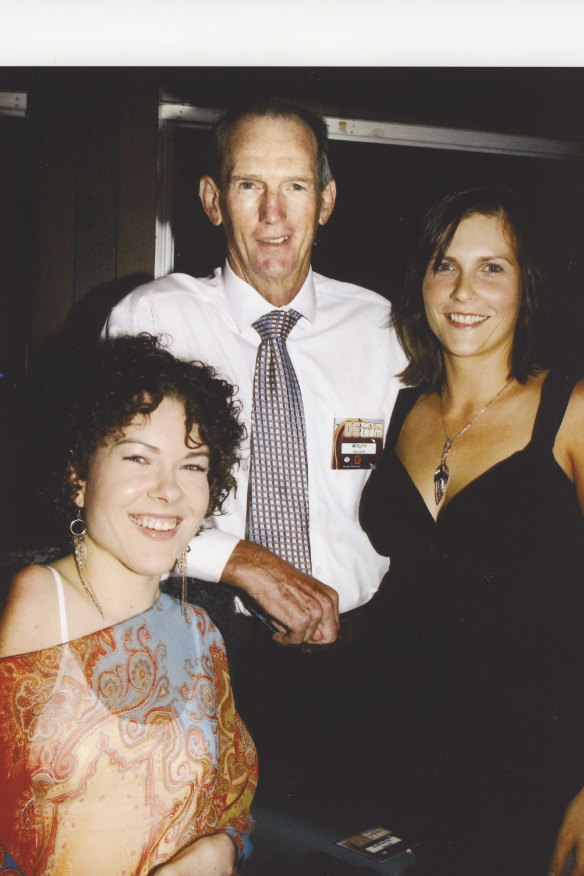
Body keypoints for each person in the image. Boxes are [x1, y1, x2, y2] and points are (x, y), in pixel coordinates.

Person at [104, 98, 404, 797]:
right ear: (213, 200)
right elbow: (109, 505)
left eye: (295, 185)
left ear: (325, 200)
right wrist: (241, 562)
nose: (274, 214)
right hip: (203, 647)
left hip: (364, 664)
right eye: (249, 186)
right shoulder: (153, 320)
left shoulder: (386, 330)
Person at [359, 185, 584, 876]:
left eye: (493, 267)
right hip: (396, 752)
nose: (463, 289)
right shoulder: (394, 411)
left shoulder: (570, 410)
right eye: (444, 263)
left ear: (528, 285)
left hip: (536, 765)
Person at [0, 334, 257, 876]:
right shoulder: (39, 601)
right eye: (139, 458)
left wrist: (222, 850)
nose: (168, 490)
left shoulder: (199, 629)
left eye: (192, 466)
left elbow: (233, 805)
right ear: (78, 476)